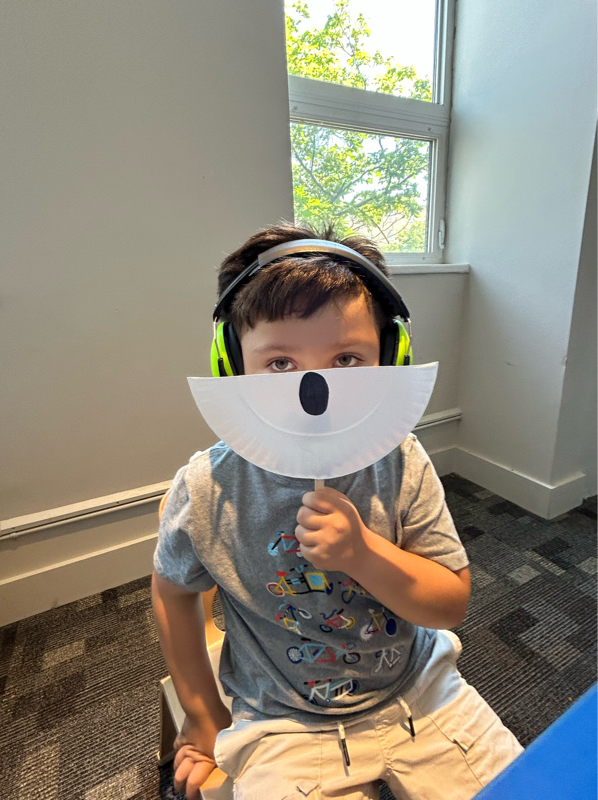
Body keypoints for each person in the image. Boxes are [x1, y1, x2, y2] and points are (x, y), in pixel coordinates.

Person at [151, 223, 523, 800]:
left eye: (347, 357)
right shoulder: (207, 489)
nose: (313, 387)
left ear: (389, 358)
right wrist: (201, 713)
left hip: (421, 692)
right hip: (283, 721)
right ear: (232, 364)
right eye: (279, 362)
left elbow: (450, 604)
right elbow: (172, 590)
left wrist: (363, 553)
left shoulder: (400, 459)